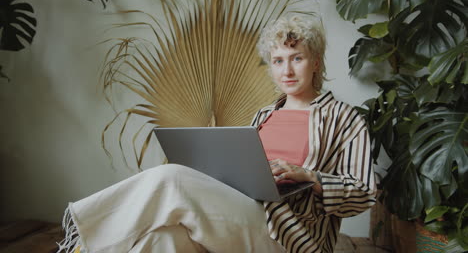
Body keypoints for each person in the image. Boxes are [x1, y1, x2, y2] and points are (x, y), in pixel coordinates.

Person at [57, 15, 376, 253]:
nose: (287, 70)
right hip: (240, 214)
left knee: (172, 179)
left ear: (316, 62)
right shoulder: (264, 116)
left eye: (297, 58)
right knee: (162, 241)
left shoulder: (344, 119)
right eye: (278, 61)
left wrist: (310, 176)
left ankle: (79, 243)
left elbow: (364, 193)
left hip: (289, 235)